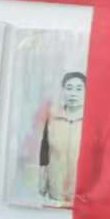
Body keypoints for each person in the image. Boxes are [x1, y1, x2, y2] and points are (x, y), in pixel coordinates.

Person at [38, 71, 85, 208]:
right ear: (63, 91)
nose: (73, 93)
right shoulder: (52, 120)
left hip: (82, 198)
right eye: (69, 88)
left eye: (79, 89)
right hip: (54, 195)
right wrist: (42, 184)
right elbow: (44, 154)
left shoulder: (92, 123)